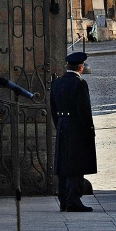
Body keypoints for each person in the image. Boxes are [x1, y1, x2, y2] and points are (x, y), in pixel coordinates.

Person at [50, 51, 97, 212]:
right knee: (76, 166)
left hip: (62, 127)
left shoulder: (57, 83)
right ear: (81, 67)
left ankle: (63, 200)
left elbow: (53, 109)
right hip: (77, 128)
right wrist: (89, 132)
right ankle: (73, 200)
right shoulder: (80, 83)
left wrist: (60, 125)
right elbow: (84, 111)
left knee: (63, 165)